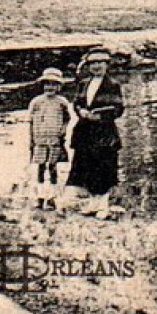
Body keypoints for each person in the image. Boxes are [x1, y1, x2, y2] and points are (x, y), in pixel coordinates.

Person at [65, 48, 125, 216]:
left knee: (103, 166)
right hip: (85, 131)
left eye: (100, 63)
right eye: (93, 63)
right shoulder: (84, 83)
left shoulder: (113, 85)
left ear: (106, 65)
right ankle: (92, 203)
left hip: (104, 132)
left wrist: (100, 116)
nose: (97, 67)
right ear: (88, 66)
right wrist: (81, 111)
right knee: (87, 166)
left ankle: (103, 205)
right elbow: (77, 102)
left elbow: (118, 108)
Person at [26, 68, 72, 210]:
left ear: (59, 87)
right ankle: (40, 197)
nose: (50, 87)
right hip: (39, 139)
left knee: (52, 167)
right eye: (47, 84)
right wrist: (31, 139)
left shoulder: (62, 102)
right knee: (40, 167)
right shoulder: (36, 102)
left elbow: (67, 119)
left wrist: (62, 132)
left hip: (54, 139)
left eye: (53, 84)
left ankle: (51, 197)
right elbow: (31, 121)